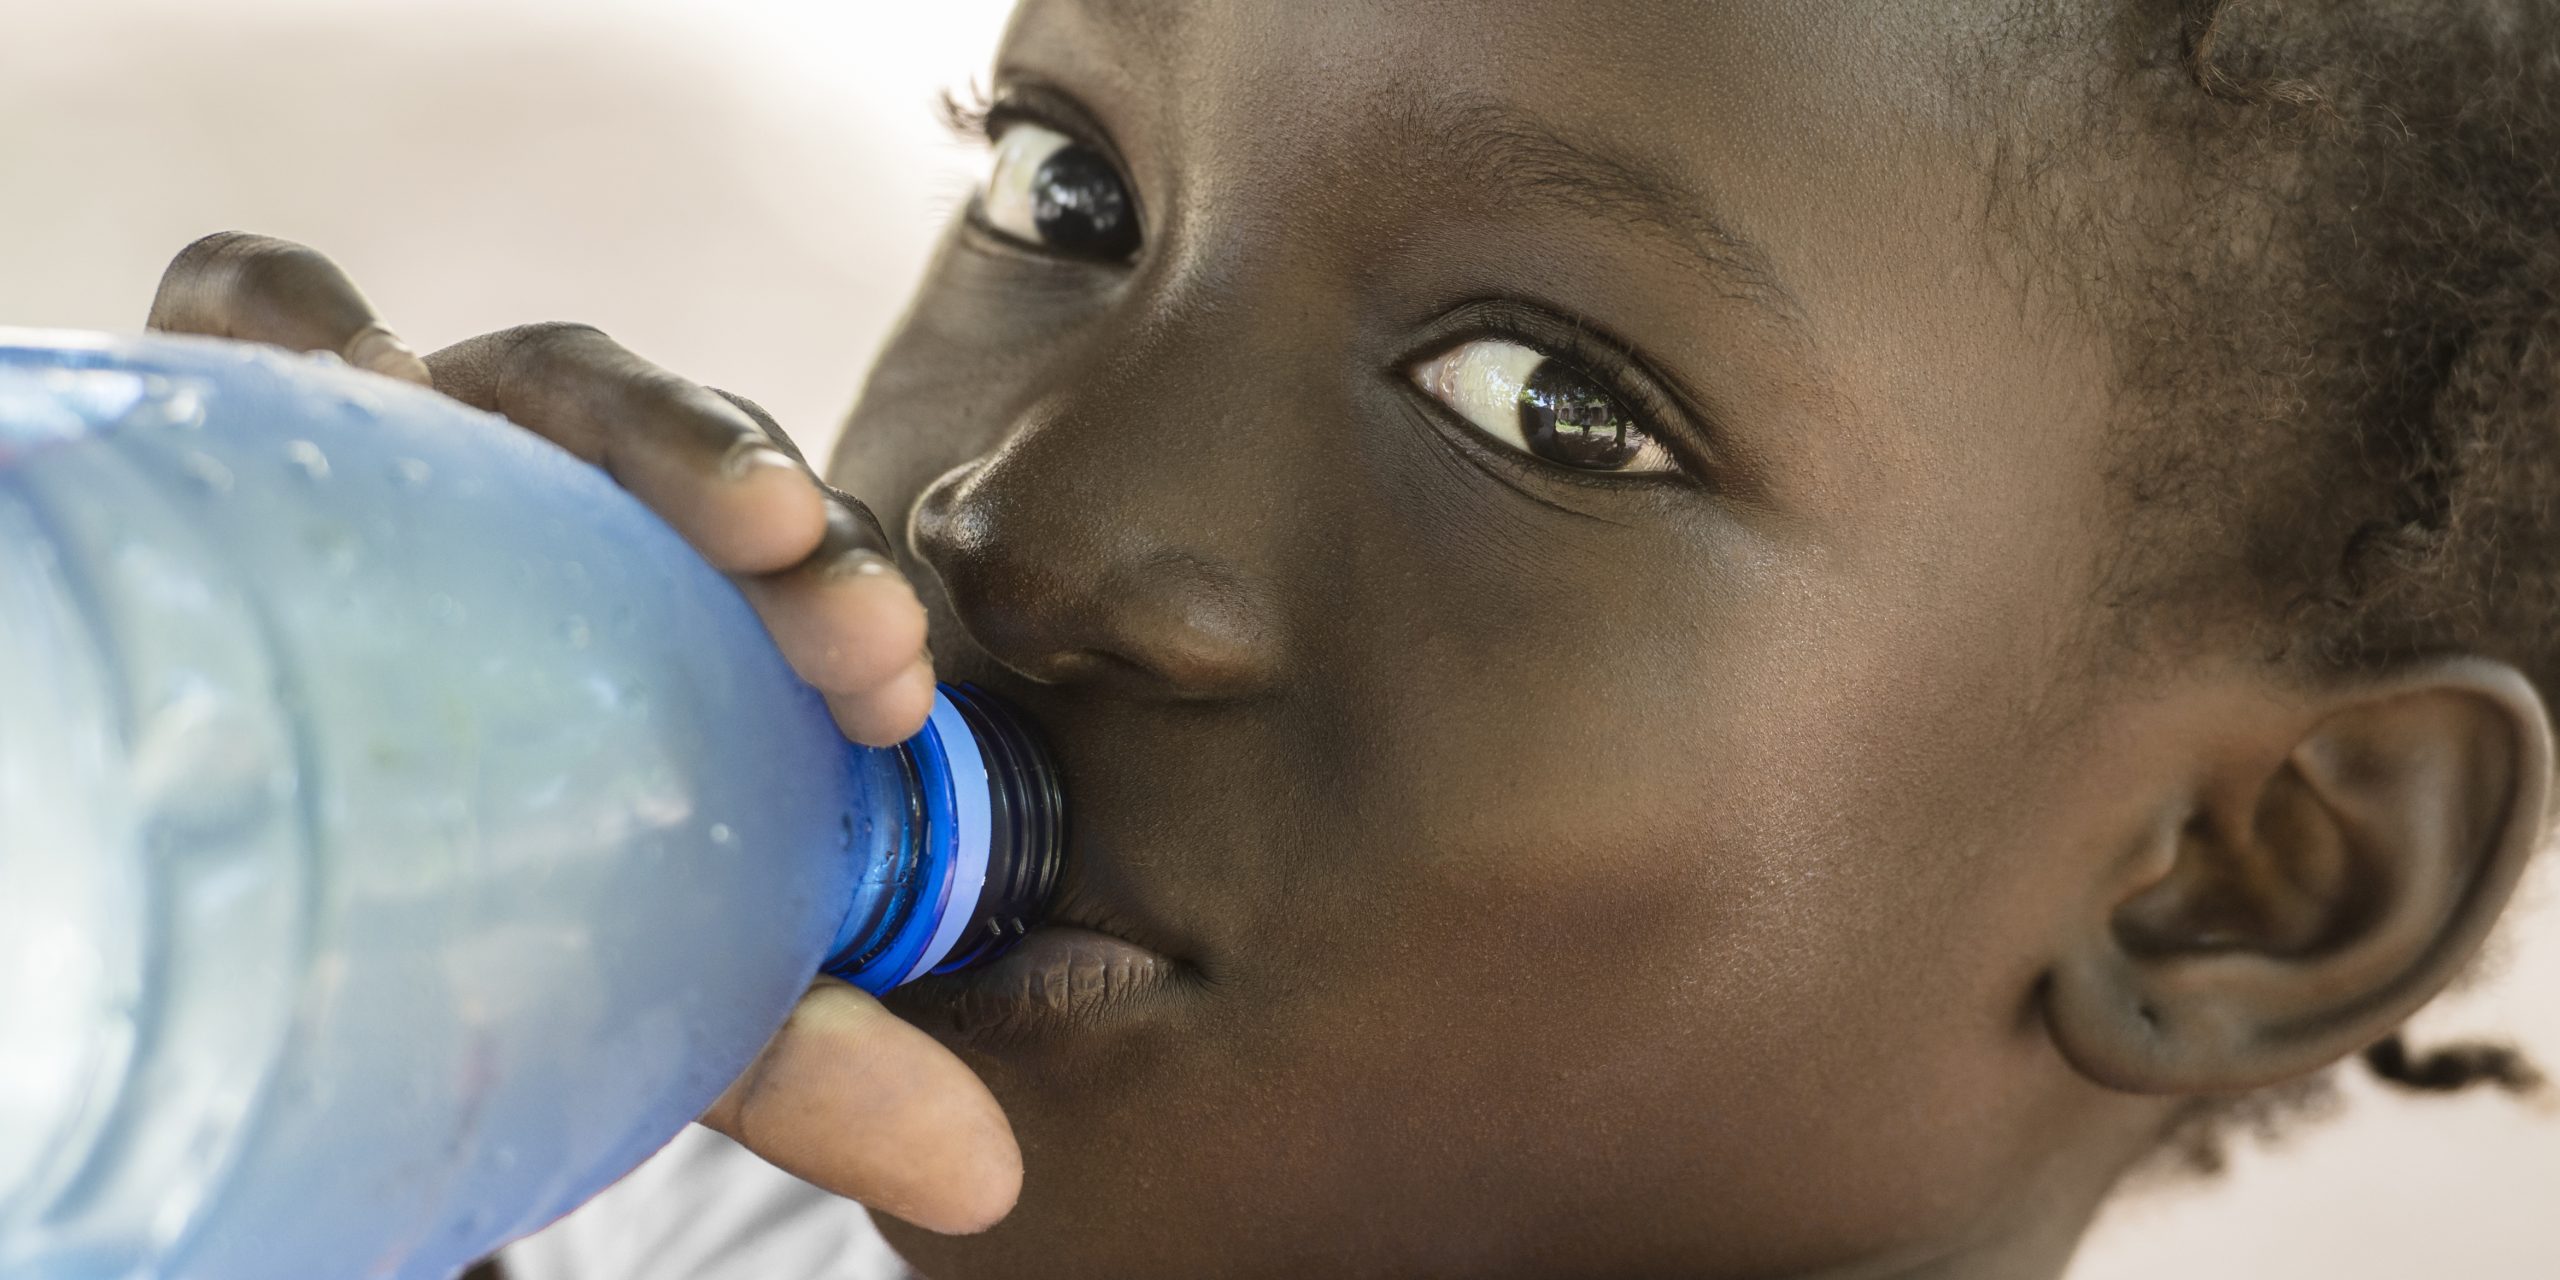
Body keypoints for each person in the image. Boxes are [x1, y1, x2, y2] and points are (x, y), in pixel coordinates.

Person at [140, 1, 2558, 1276]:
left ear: (2239, 876)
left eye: (1545, 404)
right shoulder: (552, 1188)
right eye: (1064, 184)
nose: (1028, 519)